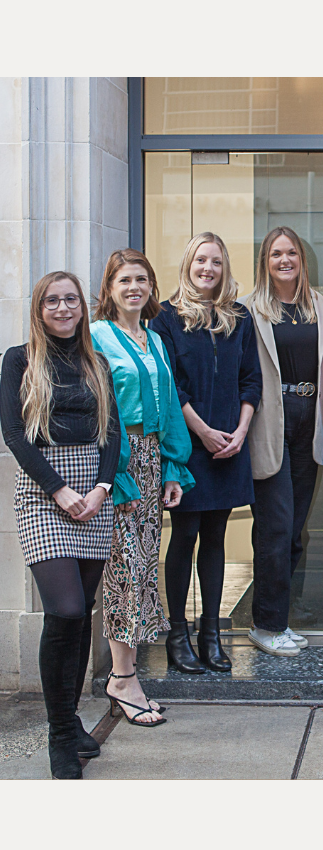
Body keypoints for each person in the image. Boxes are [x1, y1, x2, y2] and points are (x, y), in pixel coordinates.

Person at [0, 271, 130, 778]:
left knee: (83, 614)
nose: (62, 308)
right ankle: (59, 735)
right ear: (39, 307)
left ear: (83, 306)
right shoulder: (18, 360)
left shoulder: (95, 361)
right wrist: (61, 489)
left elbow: (112, 431)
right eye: (52, 300)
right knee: (67, 610)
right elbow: (14, 433)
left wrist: (100, 488)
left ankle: (71, 719)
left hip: (92, 496)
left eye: (70, 299)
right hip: (45, 492)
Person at [91, 249, 194, 726]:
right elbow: (97, 411)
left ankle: (126, 675)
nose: (135, 287)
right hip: (117, 464)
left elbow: (170, 406)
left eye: (142, 280)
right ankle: (122, 678)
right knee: (124, 570)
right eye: (125, 280)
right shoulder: (95, 338)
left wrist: (173, 468)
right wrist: (118, 471)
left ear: (152, 287)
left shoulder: (153, 339)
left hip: (153, 462)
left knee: (142, 567)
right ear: (110, 288)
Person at [151, 233, 261, 672]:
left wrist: (239, 430)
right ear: (188, 264)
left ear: (225, 267)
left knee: (216, 538)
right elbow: (170, 384)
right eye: (201, 261)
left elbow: (252, 379)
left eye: (216, 262)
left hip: (230, 448)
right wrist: (203, 431)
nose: (208, 269)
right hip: (188, 449)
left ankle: (210, 633)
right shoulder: (165, 318)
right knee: (184, 537)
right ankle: (177, 634)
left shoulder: (239, 317)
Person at [245, 226, 323, 656]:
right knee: (274, 527)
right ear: (265, 260)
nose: (284, 260)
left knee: (294, 531)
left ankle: (278, 615)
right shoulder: (249, 310)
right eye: (276, 253)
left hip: (308, 421)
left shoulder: (320, 305)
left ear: (302, 258)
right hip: (269, 423)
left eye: (291, 252)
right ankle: (266, 624)